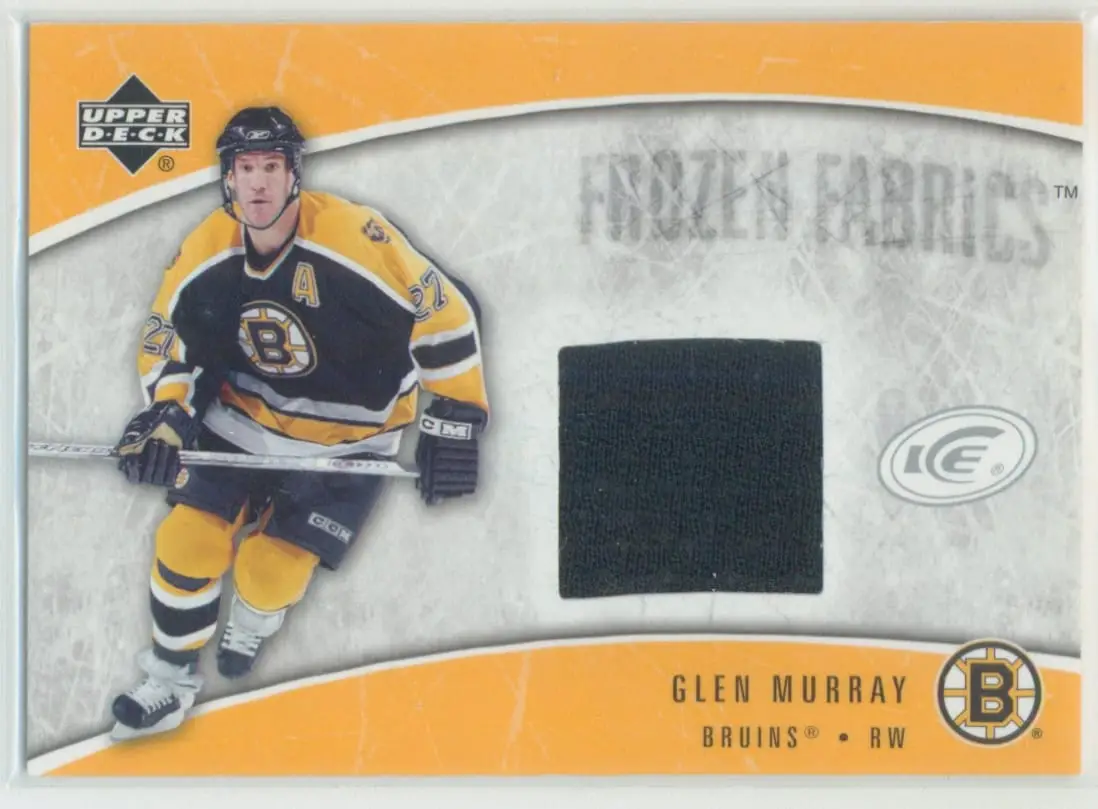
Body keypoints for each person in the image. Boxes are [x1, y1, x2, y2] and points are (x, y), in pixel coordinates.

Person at [107, 106, 490, 741]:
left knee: (268, 572)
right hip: (242, 419)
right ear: (228, 178)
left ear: (294, 175)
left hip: (352, 439)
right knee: (185, 542)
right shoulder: (208, 246)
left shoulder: (353, 236)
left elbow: (447, 312)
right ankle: (168, 682)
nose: (257, 182)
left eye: (271, 167)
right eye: (245, 168)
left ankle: (252, 622)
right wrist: (168, 417)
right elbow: (164, 339)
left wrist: (456, 417)